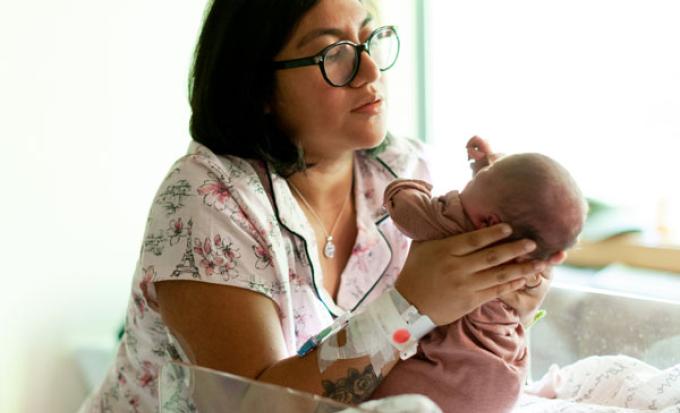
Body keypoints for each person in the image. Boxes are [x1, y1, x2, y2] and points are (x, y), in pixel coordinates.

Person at [78, 1, 562, 412]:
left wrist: (512, 296)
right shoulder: (208, 198)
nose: (371, 71)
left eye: (372, 41)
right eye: (335, 54)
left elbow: (450, 357)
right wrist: (409, 306)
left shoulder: (403, 169)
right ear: (259, 85)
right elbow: (256, 408)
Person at [370, 136, 587, 413]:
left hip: (444, 378)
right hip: (502, 381)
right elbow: (502, 199)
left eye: (471, 184)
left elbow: (407, 209)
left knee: (371, 392)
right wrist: (485, 169)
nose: (461, 191)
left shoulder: (457, 226)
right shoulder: (527, 260)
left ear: (488, 222)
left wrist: (403, 187)